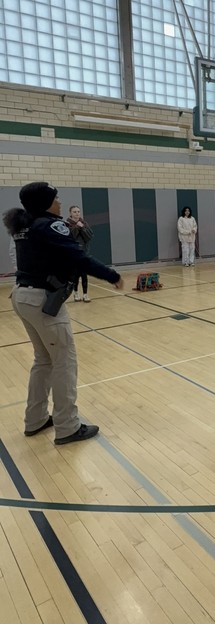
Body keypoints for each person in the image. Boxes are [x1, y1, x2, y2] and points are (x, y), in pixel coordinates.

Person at [3, 182, 124, 445]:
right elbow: (78, 258)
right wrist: (110, 275)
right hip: (42, 301)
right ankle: (67, 426)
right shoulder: (49, 225)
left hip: (22, 295)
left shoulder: (24, 226)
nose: (59, 202)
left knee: (43, 360)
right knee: (64, 362)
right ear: (46, 202)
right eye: (56, 198)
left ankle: (34, 419)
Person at [66, 205, 94, 301]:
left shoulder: (84, 223)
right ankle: (76, 293)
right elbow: (70, 237)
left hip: (83, 253)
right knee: (75, 276)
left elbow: (89, 237)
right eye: (74, 212)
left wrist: (82, 228)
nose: (77, 213)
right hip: (73, 254)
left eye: (78, 211)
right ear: (70, 213)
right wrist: (76, 227)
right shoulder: (67, 224)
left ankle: (85, 294)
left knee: (84, 275)